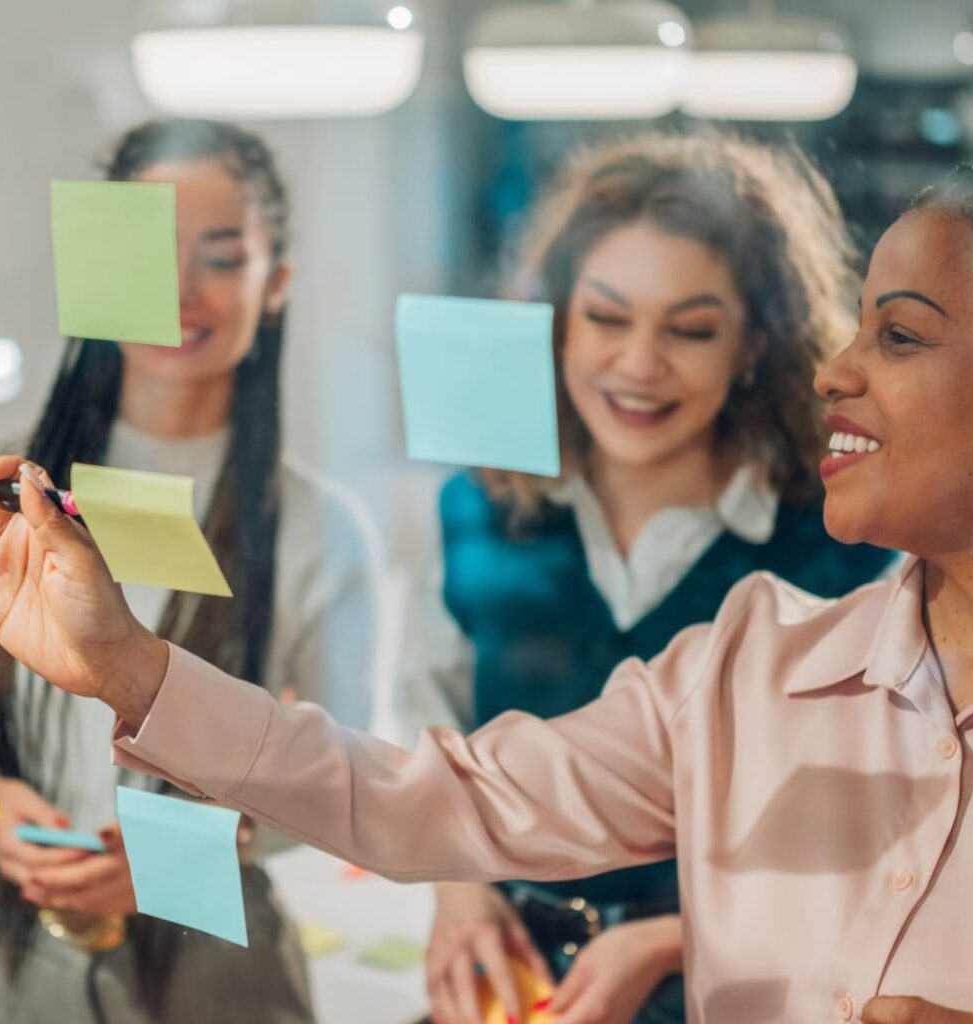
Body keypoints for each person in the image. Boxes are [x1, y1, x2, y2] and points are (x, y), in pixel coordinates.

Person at [0, 157, 973, 1024]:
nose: (837, 374)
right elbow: (426, 794)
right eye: (852, 327)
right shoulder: (745, 664)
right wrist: (125, 668)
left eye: (902, 336)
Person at [378, 131, 893, 1024]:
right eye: (607, 319)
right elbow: (426, 732)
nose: (639, 365)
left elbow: (882, 838)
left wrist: (675, 938)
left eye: (690, 330)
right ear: (558, 322)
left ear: (754, 345)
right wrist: (456, 893)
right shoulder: (474, 513)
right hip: (511, 981)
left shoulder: (845, 548)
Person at [0, 119, 385, 1024]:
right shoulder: (11, 479)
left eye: (220, 259)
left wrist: (179, 854)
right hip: (18, 957)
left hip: (216, 972)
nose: (178, 289)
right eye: (144, 249)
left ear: (277, 285)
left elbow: (346, 785)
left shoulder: (319, 526)